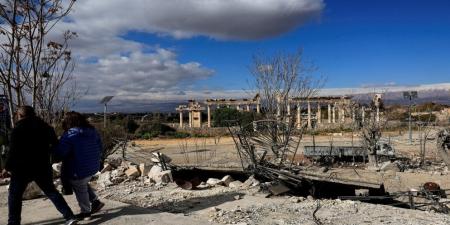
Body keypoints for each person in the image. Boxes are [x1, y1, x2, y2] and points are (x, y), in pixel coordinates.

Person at [0, 106, 77, 225]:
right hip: (42, 166)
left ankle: (13, 222)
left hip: (22, 169)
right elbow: (55, 145)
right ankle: (70, 217)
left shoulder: (18, 129)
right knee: (51, 191)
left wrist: (6, 168)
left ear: (20, 115)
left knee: (15, 195)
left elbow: (13, 152)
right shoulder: (47, 127)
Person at [55, 112, 104, 220]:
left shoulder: (69, 135)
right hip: (93, 165)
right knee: (82, 183)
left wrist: (57, 144)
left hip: (78, 169)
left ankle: (86, 212)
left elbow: (60, 153)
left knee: (80, 187)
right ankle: (95, 201)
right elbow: (100, 147)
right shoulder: (92, 131)